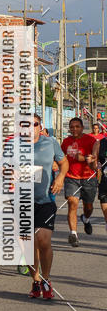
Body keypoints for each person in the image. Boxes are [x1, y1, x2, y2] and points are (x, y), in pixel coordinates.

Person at [25, 113, 68, 299]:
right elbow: (0, 169)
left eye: (34, 124)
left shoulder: (50, 143)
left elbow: (64, 163)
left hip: (46, 199)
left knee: (43, 240)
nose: (30, 128)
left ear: (40, 126)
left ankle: (46, 279)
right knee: (29, 245)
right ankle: (35, 281)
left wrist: (60, 178)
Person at [61, 117, 97, 246]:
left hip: (88, 178)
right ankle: (73, 234)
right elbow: (60, 158)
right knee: (72, 203)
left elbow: (94, 160)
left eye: (77, 126)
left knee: (88, 207)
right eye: (72, 127)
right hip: (71, 178)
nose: (74, 129)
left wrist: (87, 159)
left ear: (82, 128)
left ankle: (85, 219)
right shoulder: (66, 142)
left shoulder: (91, 140)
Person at [92, 131, 107, 232]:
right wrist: (96, 166)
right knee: (104, 201)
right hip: (104, 180)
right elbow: (94, 161)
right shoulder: (99, 144)